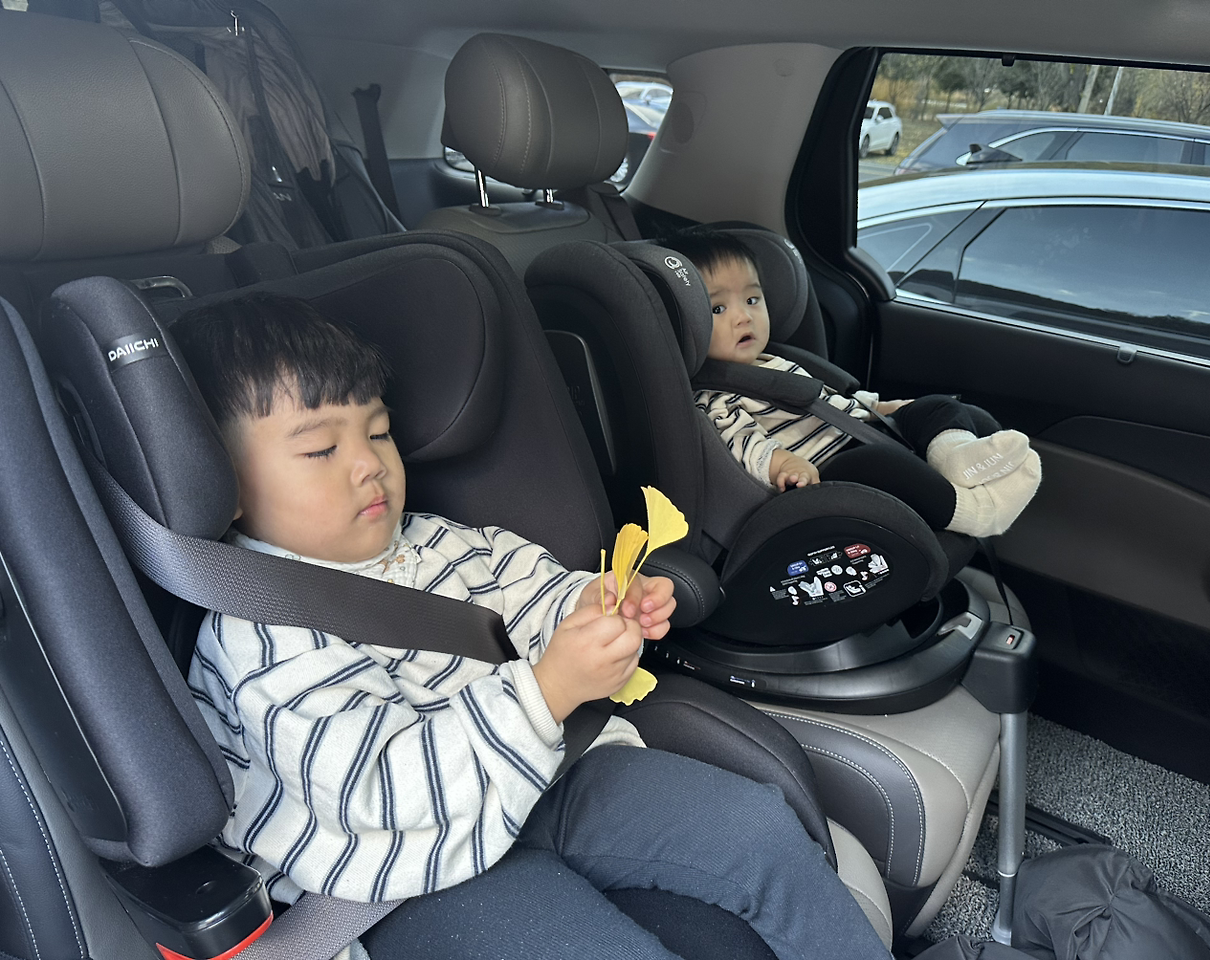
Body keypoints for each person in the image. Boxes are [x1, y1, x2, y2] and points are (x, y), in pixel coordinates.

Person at [172, 293, 890, 960]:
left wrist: (599, 606)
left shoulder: (439, 542)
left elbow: (533, 594)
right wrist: (546, 691)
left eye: (380, 432)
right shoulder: (258, 638)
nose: (370, 465)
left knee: (755, 828)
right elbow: (379, 791)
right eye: (320, 450)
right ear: (219, 482)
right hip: (404, 870)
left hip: (544, 776)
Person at [660, 230, 1041, 538]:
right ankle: (978, 512)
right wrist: (786, 465)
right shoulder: (715, 399)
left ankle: (956, 459)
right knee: (883, 464)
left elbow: (828, 403)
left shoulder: (775, 362)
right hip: (830, 468)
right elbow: (744, 443)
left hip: (854, 432)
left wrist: (883, 409)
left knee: (939, 406)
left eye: (752, 299)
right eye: (718, 308)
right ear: (684, 325)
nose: (744, 317)